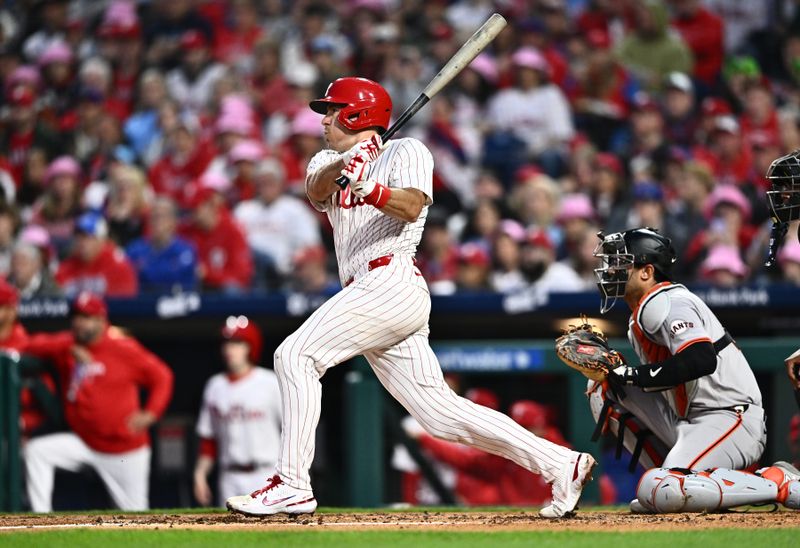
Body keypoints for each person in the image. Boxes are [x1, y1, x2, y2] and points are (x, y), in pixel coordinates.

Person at [225, 76, 595, 519]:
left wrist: (373, 188)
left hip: (391, 279)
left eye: (331, 110)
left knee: (295, 356)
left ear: (356, 114)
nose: (323, 119)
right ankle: (560, 463)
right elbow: (316, 190)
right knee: (440, 416)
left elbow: (413, 205)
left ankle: (292, 484)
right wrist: (347, 162)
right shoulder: (326, 157)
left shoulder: (407, 151)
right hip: (364, 289)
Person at [589, 227, 799, 513]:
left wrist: (633, 375)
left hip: (730, 416)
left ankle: (778, 481)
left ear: (646, 272)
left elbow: (701, 359)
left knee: (662, 489)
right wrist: (616, 372)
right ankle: (675, 478)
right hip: (690, 419)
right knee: (602, 387)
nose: (611, 269)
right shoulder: (641, 312)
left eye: (621, 262)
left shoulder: (669, 300)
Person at [23, 292, 173, 512]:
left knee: (137, 519)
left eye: (86, 316)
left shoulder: (123, 347)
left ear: (102, 321)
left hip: (123, 450)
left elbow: (163, 376)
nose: (79, 322)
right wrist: (66, 348)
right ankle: (40, 519)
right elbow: (28, 346)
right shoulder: (69, 345)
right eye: (76, 316)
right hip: (84, 443)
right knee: (37, 451)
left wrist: (151, 413)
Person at [194, 316, 281, 507]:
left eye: (237, 343)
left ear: (250, 347)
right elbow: (209, 439)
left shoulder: (270, 382)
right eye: (227, 343)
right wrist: (200, 474)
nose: (229, 349)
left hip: (266, 474)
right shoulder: (215, 386)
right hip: (229, 476)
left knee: (272, 534)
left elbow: (291, 431)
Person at [55, 211, 138, 297]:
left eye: (87, 237)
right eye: (78, 237)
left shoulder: (118, 265)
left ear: (101, 240)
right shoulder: (67, 265)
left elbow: (124, 304)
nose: (81, 242)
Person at [126, 197, 198, 294]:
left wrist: (144, 270)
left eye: (162, 216)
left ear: (174, 221)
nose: (157, 222)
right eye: (154, 216)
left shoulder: (186, 250)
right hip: (142, 305)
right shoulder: (135, 250)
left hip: (178, 304)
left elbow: (171, 278)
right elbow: (128, 280)